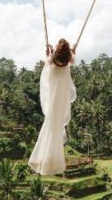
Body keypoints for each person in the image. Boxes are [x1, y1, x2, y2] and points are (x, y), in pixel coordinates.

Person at [28, 38, 76, 175]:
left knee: (51, 123)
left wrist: (48, 53)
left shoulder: (52, 61)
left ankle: (45, 159)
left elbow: (48, 62)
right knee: (56, 123)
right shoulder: (68, 62)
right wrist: (72, 51)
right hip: (61, 94)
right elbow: (72, 59)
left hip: (54, 92)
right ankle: (52, 160)